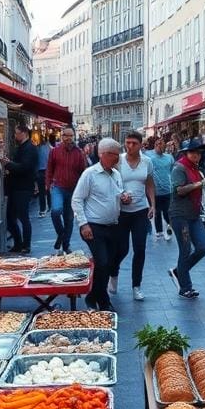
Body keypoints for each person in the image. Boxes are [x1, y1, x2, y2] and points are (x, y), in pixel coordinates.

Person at [71, 138, 125, 311]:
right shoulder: (90, 174)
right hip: (93, 226)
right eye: (115, 155)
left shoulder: (116, 174)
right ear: (103, 154)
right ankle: (103, 300)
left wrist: (124, 196)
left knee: (108, 263)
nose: (118, 158)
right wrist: (83, 224)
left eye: (118, 154)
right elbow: (77, 199)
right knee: (102, 262)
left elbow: (117, 194)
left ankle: (93, 295)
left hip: (113, 226)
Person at [110, 131, 155, 301]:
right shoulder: (119, 161)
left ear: (141, 145)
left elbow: (150, 183)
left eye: (133, 143)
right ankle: (113, 274)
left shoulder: (147, 162)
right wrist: (121, 194)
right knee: (121, 249)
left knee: (140, 249)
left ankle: (136, 285)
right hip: (121, 211)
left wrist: (153, 205)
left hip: (140, 211)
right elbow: (110, 181)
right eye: (127, 142)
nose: (129, 146)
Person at [168, 138, 205, 299]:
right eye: (193, 152)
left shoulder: (195, 167)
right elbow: (179, 190)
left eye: (198, 153)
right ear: (186, 153)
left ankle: (179, 271)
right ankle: (185, 287)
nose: (196, 155)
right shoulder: (179, 167)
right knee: (185, 251)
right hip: (180, 215)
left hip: (193, 215)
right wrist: (200, 184)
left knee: (203, 247)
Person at [45, 127, 87, 253]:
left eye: (71, 135)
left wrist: (83, 191)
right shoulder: (55, 151)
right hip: (58, 187)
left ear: (74, 137)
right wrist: (48, 185)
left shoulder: (79, 153)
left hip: (74, 189)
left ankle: (66, 245)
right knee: (56, 211)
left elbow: (83, 173)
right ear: (61, 136)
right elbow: (49, 169)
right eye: (66, 135)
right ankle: (61, 234)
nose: (68, 138)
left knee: (69, 219)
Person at [1, 124, 38, 253]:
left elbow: (24, 167)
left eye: (17, 133)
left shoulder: (30, 149)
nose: (15, 135)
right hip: (15, 188)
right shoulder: (22, 147)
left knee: (23, 217)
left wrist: (8, 164)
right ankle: (18, 243)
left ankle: (25, 245)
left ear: (24, 133)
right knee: (10, 218)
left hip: (23, 188)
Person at [147, 137, 175, 241]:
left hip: (168, 189)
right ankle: (159, 232)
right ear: (154, 145)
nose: (159, 145)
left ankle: (169, 229)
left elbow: (172, 170)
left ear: (165, 146)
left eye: (162, 144)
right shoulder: (148, 156)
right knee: (157, 211)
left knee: (168, 211)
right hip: (155, 190)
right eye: (157, 143)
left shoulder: (169, 157)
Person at [34, 132, 50, 218]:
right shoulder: (49, 148)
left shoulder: (36, 149)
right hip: (47, 171)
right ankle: (50, 207)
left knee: (42, 192)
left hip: (40, 172)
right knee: (48, 191)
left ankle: (42, 209)